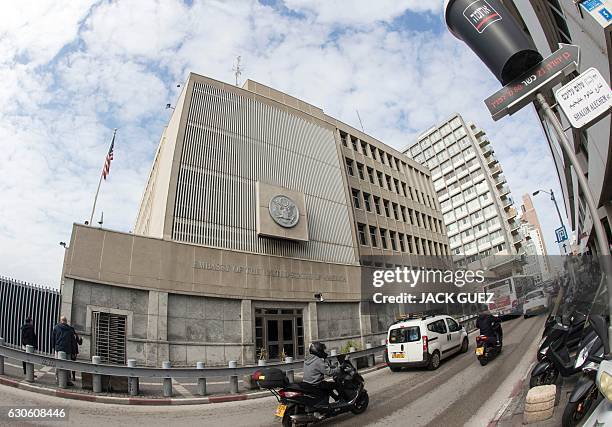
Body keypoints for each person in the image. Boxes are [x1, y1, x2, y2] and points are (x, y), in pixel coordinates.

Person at [52, 315, 74, 386]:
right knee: (68, 365)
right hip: (67, 349)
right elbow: (72, 341)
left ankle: (58, 379)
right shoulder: (70, 329)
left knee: (58, 364)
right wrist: (73, 351)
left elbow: (53, 338)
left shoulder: (56, 327)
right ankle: (68, 380)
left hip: (58, 349)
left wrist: (54, 347)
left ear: (60, 321)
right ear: (66, 321)